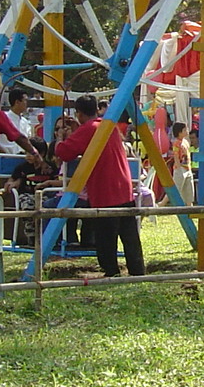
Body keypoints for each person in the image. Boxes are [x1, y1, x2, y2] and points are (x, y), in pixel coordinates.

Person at [53, 94, 143, 277]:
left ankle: (111, 271)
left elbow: (64, 152)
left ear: (78, 113)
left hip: (105, 190)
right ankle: (138, 270)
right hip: (124, 188)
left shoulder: (88, 130)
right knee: (129, 235)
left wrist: (60, 138)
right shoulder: (108, 126)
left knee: (105, 236)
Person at [0, 87, 37, 153]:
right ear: (17, 102)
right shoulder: (3, 118)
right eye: (25, 100)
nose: (27, 104)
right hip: (5, 157)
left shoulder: (25, 122)